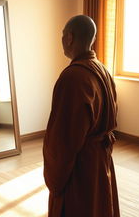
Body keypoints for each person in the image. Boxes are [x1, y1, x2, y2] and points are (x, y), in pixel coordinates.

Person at [43, 15, 120, 217]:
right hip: (99, 159)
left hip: (81, 166)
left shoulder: (72, 77)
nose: (61, 40)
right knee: (99, 204)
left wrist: (55, 174)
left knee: (80, 207)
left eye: (62, 35)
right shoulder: (103, 69)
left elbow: (64, 139)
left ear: (69, 37)